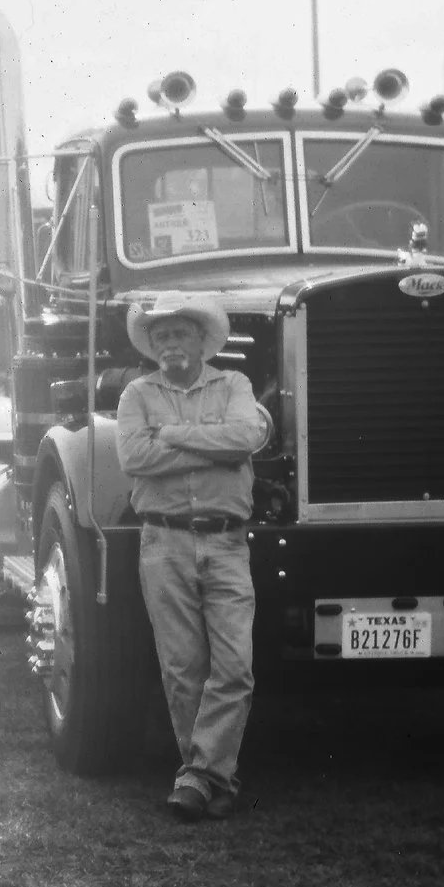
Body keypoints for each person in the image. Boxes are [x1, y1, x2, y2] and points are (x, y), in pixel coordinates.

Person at [115, 294, 270, 821]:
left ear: (202, 340)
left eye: (180, 334)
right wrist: (215, 447)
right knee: (183, 668)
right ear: (152, 346)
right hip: (163, 543)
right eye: (161, 337)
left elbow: (248, 435)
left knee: (235, 665)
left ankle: (199, 776)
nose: (170, 345)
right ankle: (211, 777)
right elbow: (134, 455)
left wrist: (175, 435)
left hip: (226, 543)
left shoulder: (235, 387)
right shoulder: (137, 394)